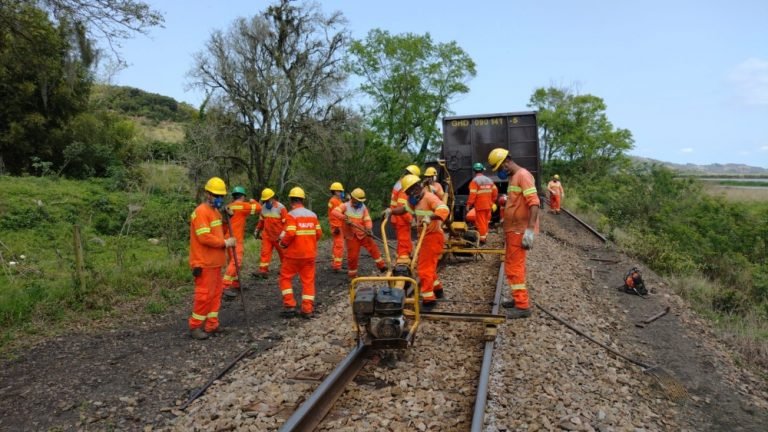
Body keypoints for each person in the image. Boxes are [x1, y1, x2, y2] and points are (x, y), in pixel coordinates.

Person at [488, 148, 540, 319]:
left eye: (499, 167)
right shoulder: (514, 177)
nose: (499, 171)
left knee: (514, 267)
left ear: (506, 161)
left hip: (519, 230)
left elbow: (534, 203)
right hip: (513, 229)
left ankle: (523, 305)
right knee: (514, 265)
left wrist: (530, 230)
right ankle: (517, 299)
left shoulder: (522, 176)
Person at [188, 177, 237, 340]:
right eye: (216, 195)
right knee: (204, 296)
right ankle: (195, 327)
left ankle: (212, 325)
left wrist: (227, 218)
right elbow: (205, 238)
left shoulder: (216, 212)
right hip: (204, 263)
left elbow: (218, 231)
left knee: (216, 295)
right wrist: (225, 242)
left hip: (216, 262)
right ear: (207, 194)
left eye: (221, 196)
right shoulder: (201, 212)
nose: (219, 198)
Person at [401, 174, 450, 310]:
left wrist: (431, 217)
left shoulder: (429, 197)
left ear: (417, 187)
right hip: (424, 237)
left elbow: (444, 209)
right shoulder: (415, 200)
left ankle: (429, 300)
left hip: (433, 237)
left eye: (410, 191)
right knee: (428, 267)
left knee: (424, 270)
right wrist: (391, 212)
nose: (409, 194)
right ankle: (438, 290)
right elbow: (404, 209)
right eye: (407, 192)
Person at [278, 187, 322, 318]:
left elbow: (290, 232)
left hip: (293, 255)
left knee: (285, 277)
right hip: (309, 255)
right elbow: (318, 234)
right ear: (302, 200)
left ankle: (289, 305)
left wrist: (283, 244)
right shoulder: (313, 215)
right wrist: (309, 242)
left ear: (291, 200)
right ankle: (307, 309)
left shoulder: (291, 215)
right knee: (308, 281)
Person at [331, 188, 387, 278]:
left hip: (363, 233)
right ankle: (352, 276)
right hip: (351, 236)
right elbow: (334, 212)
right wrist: (344, 218)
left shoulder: (363, 207)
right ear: (353, 198)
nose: (360, 202)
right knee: (352, 257)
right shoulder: (345, 206)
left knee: (374, 249)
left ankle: (382, 266)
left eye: (361, 200)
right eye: (358, 200)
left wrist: (368, 228)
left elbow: (367, 219)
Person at [222, 186, 261, 298]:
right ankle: (224, 285)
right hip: (236, 240)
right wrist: (253, 200)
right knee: (236, 262)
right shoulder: (242, 206)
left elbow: (224, 225)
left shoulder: (228, 207)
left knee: (232, 262)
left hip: (227, 239)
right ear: (243, 196)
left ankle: (235, 283)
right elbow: (258, 208)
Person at [387, 165, 420, 260]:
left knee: (403, 241)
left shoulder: (399, 183)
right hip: (401, 219)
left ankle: (403, 257)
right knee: (404, 242)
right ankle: (403, 263)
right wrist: (411, 220)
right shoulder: (405, 186)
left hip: (396, 217)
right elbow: (402, 206)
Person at [254, 188, 287, 278]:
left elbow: (286, 223)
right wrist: (257, 230)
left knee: (283, 254)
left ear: (272, 198)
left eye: (268, 200)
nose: (266, 202)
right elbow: (261, 221)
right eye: (265, 200)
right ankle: (263, 271)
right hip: (267, 236)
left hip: (278, 236)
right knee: (265, 253)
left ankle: (285, 269)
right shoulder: (263, 208)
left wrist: (283, 233)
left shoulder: (281, 208)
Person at [466, 162, 498, 244]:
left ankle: (482, 239)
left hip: (480, 206)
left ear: (474, 171)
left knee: (481, 222)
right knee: (486, 221)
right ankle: (485, 236)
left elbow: (472, 194)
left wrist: (469, 204)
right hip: (489, 205)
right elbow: (495, 192)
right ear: (482, 170)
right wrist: (492, 201)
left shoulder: (474, 181)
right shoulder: (489, 180)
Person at [328, 182, 346, 272]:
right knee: (339, 246)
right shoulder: (334, 201)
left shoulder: (338, 201)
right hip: (337, 226)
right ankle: (337, 266)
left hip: (339, 225)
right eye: (340, 191)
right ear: (335, 191)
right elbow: (333, 216)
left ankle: (335, 263)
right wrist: (336, 227)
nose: (341, 192)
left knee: (336, 245)